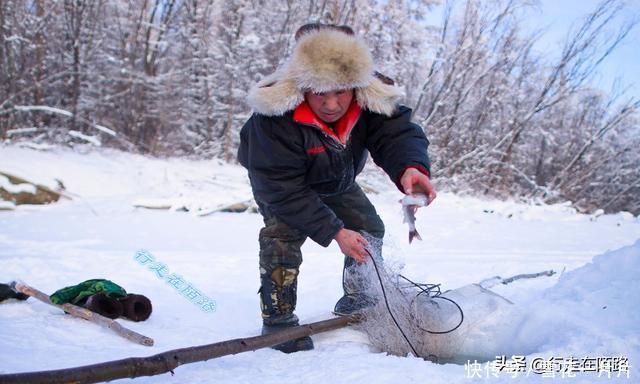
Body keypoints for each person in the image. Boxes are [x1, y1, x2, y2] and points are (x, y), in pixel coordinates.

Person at [237, 23, 436, 353]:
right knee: (283, 236)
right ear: (303, 88)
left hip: (334, 179)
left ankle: (358, 298)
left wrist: (410, 168)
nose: (331, 104)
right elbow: (282, 188)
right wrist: (334, 231)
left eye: (340, 92)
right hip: (282, 185)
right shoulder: (273, 117)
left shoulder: (370, 100)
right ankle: (278, 321)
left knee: (369, 228)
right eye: (319, 93)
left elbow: (396, 134)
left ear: (355, 87)